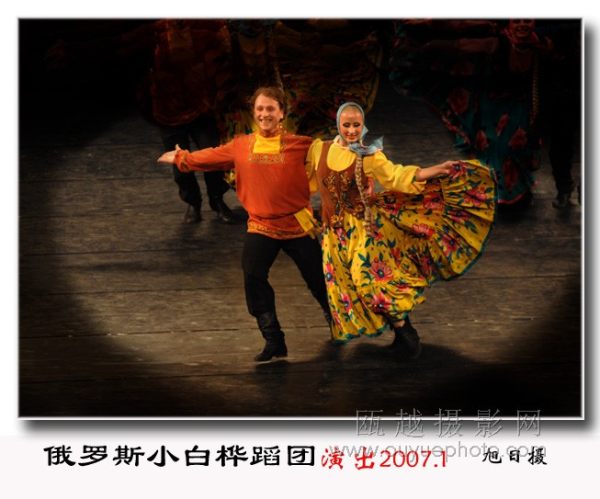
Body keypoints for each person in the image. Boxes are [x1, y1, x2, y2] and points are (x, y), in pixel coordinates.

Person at [306, 102, 496, 358]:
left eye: (356, 125)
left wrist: (433, 170)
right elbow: (306, 179)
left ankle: (407, 335)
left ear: (363, 125)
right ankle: (402, 333)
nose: (351, 130)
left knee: (368, 281)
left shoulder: (368, 156)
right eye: (346, 124)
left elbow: (396, 175)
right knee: (347, 285)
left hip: (363, 228)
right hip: (334, 234)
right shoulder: (320, 149)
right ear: (338, 124)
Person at [158, 86, 331, 361]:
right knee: (253, 275)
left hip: (297, 225)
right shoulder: (241, 145)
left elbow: (335, 159)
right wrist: (182, 158)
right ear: (253, 113)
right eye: (260, 109)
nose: (264, 114)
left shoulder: (301, 145)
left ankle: (337, 323)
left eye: (270, 108)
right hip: (261, 225)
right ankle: (273, 339)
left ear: (282, 113)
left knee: (318, 280)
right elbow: (211, 156)